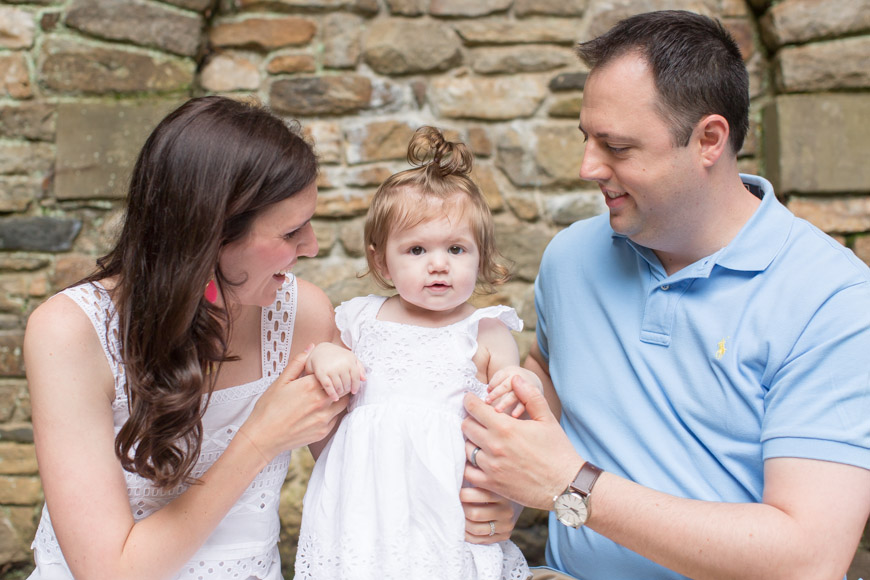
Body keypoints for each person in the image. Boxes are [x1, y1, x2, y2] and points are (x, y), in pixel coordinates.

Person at [461, 10, 870, 580]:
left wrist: (568, 482)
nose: (587, 167)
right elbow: (552, 379)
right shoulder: (571, 257)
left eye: (617, 147)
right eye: (586, 138)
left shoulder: (834, 300)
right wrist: (510, 397)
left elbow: (808, 560)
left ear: (709, 139)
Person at [23, 96, 350, 580]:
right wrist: (260, 437)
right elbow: (109, 572)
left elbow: (366, 482)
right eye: (291, 231)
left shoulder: (303, 317)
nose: (312, 246)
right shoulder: (70, 332)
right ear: (209, 239)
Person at [294, 126, 535, 580]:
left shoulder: (484, 331)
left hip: (443, 506)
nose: (438, 263)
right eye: (417, 249)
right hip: (361, 505)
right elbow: (318, 381)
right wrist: (325, 356)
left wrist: (524, 386)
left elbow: (515, 407)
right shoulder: (360, 320)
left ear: (480, 258)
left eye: (457, 248)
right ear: (382, 261)